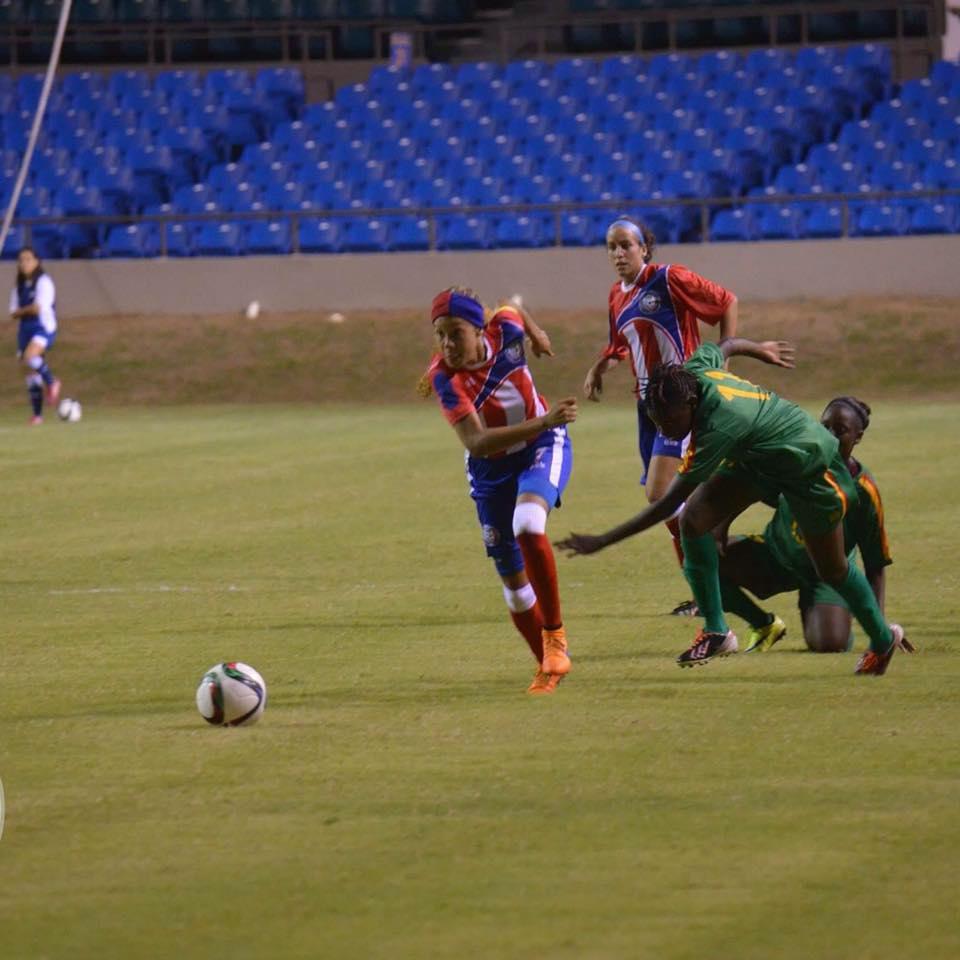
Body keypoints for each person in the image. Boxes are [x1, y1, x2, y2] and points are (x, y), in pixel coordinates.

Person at [556, 339, 909, 677]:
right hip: (761, 455)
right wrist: (761, 350)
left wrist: (602, 541)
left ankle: (881, 639)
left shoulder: (720, 425)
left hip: (811, 465)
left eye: (669, 420)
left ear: (691, 404)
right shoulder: (693, 373)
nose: (664, 427)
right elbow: (726, 346)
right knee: (693, 522)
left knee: (831, 569)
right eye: (657, 419)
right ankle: (717, 632)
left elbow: (667, 503)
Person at [420, 287, 577, 694]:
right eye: (440, 335)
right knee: (512, 582)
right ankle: (546, 664)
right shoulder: (444, 378)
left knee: (528, 522)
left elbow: (513, 308)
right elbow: (478, 442)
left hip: (541, 448)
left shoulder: (505, 329)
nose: (447, 344)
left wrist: (537, 333)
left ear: (479, 330)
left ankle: (555, 635)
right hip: (491, 467)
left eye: (455, 332)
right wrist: (544, 419)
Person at [582, 216, 738, 614]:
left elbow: (726, 302)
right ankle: (705, 586)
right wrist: (599, 368)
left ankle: (711, 573)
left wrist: (721, 364)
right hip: (647, 406)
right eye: (612, 247)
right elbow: (620, 343)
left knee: (660, 496)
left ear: (644, 248)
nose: (618, 253)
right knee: (668, 502)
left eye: (626, 245)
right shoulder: (617, 295)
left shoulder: (669, 279)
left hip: (680, 401)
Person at [717, 396, 912, 656]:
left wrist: (879, 628)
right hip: (774, 556)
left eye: (840, 431)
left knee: (829, 645)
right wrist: (721, 527)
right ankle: (763, 625)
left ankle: (834, 613)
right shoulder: (795, 460)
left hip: (828, 576)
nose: (830, 436)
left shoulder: (864, 492)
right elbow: (748, 485)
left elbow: (875, 564)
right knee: (702, 557)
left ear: (858, 436)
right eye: (825, 426)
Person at [9, 246, 61, 424]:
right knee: (30, 372)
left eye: (28, 259)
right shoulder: (19, 286)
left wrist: (23, 311)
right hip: (25, 329)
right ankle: (37, 415)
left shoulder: (44, 282)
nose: (24, 263)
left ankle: (52, 381)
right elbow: (13, 312)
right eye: (21, 260)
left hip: (43, 327)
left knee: (30, 356)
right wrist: (24, 311)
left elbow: (37, 308)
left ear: (37, 261)